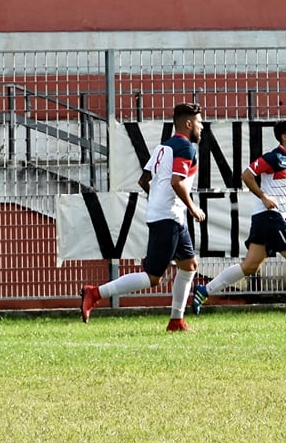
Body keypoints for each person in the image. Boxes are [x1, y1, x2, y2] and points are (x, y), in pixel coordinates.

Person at [80, 103, 206, 332]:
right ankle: (95, 293)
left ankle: (176, 321)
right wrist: (193, 208)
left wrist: (158, 198)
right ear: (188, 124)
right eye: (199, 122)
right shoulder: (185, 147)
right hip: (169, 217)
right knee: (153, 277)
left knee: (189, 266)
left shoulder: (163, 147)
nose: (202, 127)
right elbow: (177, 182)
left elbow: (144, 180)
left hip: (169, 215)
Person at [190, 118, 286, 320]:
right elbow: (247, 175)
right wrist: (264, 196)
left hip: (265, 217)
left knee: (250, 266)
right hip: (269, 216)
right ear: (284, 137)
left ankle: (204, 290)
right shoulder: (273, 157)